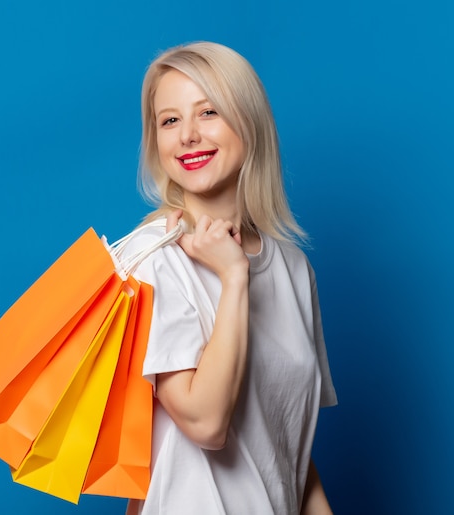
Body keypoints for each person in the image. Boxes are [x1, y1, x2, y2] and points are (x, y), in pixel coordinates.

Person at [124, 41, 338, 515]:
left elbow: (287, 446)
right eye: (170, 120)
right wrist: (234, 276)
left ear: (249, 123)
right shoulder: (152, 260)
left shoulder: (293, 267)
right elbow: (205, 423)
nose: (187, 137)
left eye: (208, 112)